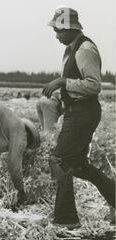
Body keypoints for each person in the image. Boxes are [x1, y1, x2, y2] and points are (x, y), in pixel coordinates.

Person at [42, 7, 115, 228]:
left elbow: (94, 86)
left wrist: (62, 82)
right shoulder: (72, 49)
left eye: (58, 30)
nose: (56, 35)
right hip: (77, 112)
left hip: (84, 113)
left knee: (59, 161)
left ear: (70, 29)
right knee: (79, 166)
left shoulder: (84, 50)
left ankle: (66, 219)